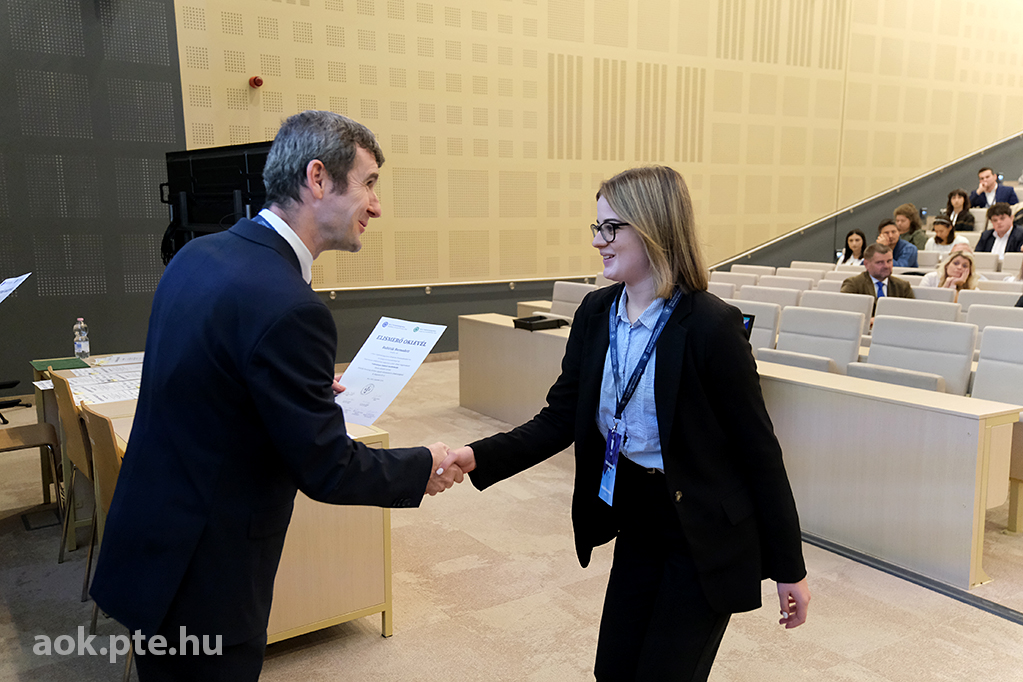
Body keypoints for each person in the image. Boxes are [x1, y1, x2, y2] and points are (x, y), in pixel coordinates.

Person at [89, 111, 472, 681]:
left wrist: (290, 387)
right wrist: (425, 465)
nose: (376, 206)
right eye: (368, 184)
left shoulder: (197, 256)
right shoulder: (291, 306)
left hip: (152, 548)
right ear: (317, 178)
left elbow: (209, 386)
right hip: (208, 576)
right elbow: (328, 469)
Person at [437, 166, 810, 682]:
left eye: (611, 228)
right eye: (597, 227)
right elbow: (561, 417)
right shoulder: (596, 313)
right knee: (612, 671)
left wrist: (790, 568)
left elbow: (759, 452)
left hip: (703, 529)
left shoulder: (711, 325)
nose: (597, 241)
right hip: (636, 514)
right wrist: (479, 455)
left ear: (654, 228)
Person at [841, 243, 915, 313]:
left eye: (889, 261)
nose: (886, 266)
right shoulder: (853, 284)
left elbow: (912, 313)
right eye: (880, 262)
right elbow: (844, 312)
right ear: (866, 264)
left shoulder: (903, 286)